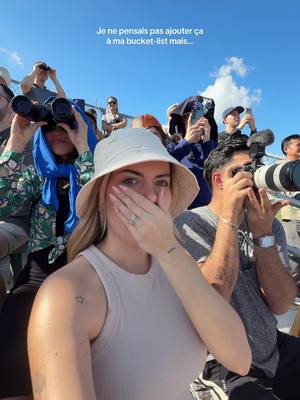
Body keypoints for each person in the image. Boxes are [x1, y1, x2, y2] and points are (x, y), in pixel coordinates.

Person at [28, 128, 251, 400]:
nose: (150, 196)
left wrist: (168, 250)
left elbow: (239, 358)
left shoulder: (178, 264)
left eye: (161, 182)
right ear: (101, 193)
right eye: (131, 181)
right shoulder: (66, 293)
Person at [174, 137, 299, 400]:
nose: (251, 178)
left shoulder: (267, 224)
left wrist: (263, 234)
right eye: (241, 171)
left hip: (272, 347)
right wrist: (229, 218)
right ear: (219, 181)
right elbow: (214, 296)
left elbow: (281, 303)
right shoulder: (189, 223)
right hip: (220, 361)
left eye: (253, 169)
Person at [0, 104, 97, 399]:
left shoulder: (103, 173)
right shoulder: (37, 179)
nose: (58, 131)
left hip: (90, 275)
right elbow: (2, 201)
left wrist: (83, 149)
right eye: (50, 126)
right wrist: (16, 142)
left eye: (66, 125)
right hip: (39, 274)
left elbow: (103, 203)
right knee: (12, 336)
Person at [167, 96, 218, 208]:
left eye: (202, 116)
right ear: (183, 120)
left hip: (211, 209)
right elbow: (165, 164)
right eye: (194, 116)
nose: (198, 121)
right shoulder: (173, 144)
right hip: (183, 211)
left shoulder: (213, 145)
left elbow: (216, 172)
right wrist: (186, 142)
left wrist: (207, 141)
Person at [280, 134, 300, 290]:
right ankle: (287, 293)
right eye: (298, 145)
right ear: (286, 149)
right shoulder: (278, 168)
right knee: (292, 260)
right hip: (291, 219)